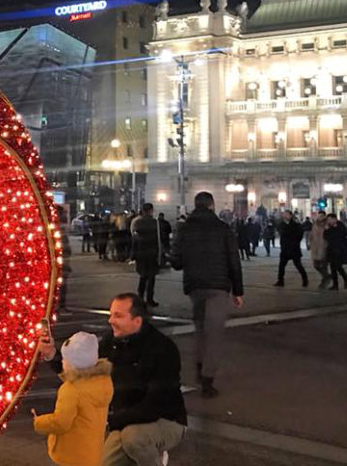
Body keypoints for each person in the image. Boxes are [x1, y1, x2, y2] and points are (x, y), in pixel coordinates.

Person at [38, 294, 187, 466]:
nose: (110, 320)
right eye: (111, 314)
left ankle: (154, 458)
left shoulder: (162, 349)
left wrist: (112, 421)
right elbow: (83, 374)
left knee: (133, 439)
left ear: (137, 321)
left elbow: (156, 403)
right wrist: (52, 355)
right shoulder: (111, 342)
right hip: (124, 422)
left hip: (165, 420)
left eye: (118, 315)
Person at [171, 192, 244, 398]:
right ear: (212, 206)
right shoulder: (223, 228)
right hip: (218, 286)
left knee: (200, 329)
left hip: (195, 286)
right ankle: (207, 380)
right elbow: (234, 262)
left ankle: (199, 367)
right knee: (214, 334)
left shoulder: (184, 229)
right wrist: (238, 291)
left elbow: (175, 261)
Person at [33, 332, 113, 466]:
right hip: (93, 454)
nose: (63, 361)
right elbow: (80, 383)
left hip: (71, 455)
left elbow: (61, 423)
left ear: (73, 365)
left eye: (65, 359)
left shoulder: (70, 390)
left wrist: (39, 422)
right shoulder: (103, 380)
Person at [132, 204, 164, 308]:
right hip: (152, 253)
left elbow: (135, 239)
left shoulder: (137, 222)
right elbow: (159, 239)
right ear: (151, 210)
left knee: (143, 276)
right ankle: (150, 299)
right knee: (151, 277)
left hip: (141, 253)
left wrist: (133, 254)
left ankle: (140, 297)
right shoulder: (155, 223)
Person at [274, 210, 309, 288]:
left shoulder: (296, 225)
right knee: (281, 266)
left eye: (287, 215)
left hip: (294, 248)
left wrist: (295, 241)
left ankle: (305, 279)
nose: (285, 216)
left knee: (298, 265)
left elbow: (299, 234)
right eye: (284, 214)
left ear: (291, 216)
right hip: (285, 248)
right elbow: (281, 233)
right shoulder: (281, 225)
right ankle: (280, 280)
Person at [324, 215, 347, 291]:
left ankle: (346, 279)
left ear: (334, 219)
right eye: (328, 220)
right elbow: (326, 237)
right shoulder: (328, 228)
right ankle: (335, 285)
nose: (328, 221)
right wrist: (327, 230)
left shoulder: (341, 227)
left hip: (340, 250)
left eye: (330, 219)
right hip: (331, 250)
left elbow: (340, 237)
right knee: (333, 268)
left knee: (338, 267)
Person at [310, 212, 331, 289]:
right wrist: (311, 243)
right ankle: (327, 276)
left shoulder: (326, 226)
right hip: (316, 248)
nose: (320, 217)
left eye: (322, 216)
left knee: (324, 265)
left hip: (324, 248)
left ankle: (324, 281)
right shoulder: (315, 225)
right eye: (319, 216)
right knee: (316, 265)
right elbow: (312, 235)